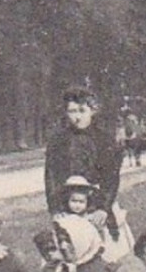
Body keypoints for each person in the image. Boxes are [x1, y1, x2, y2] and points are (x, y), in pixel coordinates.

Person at [44, 86, 122, 216]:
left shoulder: (105, 140)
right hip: (67, 206)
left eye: (82, 111)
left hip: (98, 206)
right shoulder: (57, 141)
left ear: (93, 111)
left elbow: (111, 177)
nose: (77, 117)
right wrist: (56, 209)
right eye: (72, 111)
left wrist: (103, 208)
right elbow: (51, 177)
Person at [57, 175, 132, 262]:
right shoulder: (65, 217)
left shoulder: (90, 218)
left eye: (81, 202)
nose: (77, 205)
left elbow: (99, 236)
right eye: (74, 201)